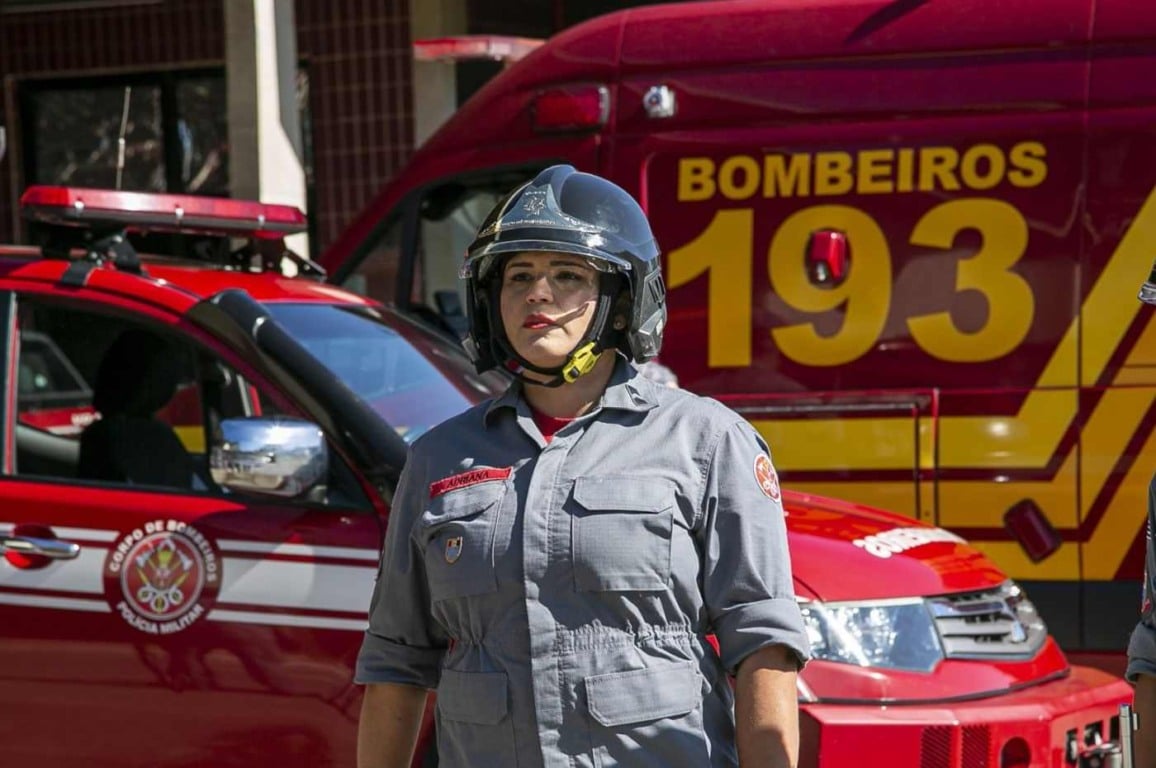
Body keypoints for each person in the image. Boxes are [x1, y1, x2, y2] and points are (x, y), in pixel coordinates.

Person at [355, 165, 811, 768]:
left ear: (621, 301)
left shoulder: (705, 440)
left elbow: (763, 646)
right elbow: (397, 660)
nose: (537, 294)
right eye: (518, 275)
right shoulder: (438, 458)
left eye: (566, 274)